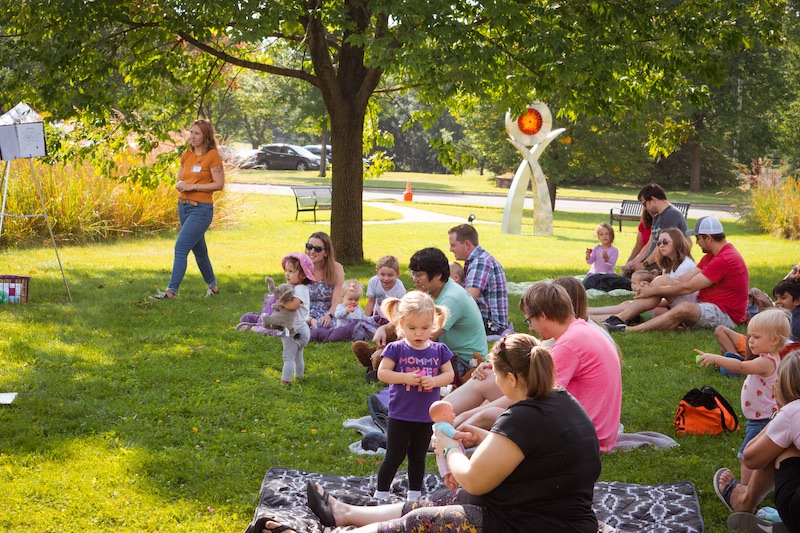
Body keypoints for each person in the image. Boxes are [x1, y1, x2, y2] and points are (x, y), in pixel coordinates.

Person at [297, 336, 601, 533]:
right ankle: (345, 513)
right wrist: (484, 438)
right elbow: (541, 452)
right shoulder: (560, 399)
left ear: (510, 377)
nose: (492, 380)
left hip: (537, 523)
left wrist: (448, 446)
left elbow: (472, 477)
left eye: (495, 374)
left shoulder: (524, 417)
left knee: (427, 520)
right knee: (448, 498)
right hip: (550, 513)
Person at [445, 282, 622, 452]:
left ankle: (442, 436)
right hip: (586, 428)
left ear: (543, 316)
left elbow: (533, 396)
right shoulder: (580, 330)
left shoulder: (569, 344)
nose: (530, 328)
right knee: (488, 380)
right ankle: (435, 420)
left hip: (583, 437)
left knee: (489, 415)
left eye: (529, 320)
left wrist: (470, 414)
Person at [373, 291, 455, 502]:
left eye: (425, 328)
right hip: (401, 415)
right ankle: (381, 492)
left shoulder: (439, 350)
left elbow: (449, 374)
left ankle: (414, 495)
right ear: (401, 324)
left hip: (426, 417)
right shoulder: (396, 348)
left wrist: (435, 381)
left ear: (434, 324)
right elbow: (382, 373)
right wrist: (405, 378)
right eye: (412, 328)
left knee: (418, 457)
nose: (419, 333)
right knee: (394, 456)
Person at [604, 217, 748, 333]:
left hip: (725, 315)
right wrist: (653, 285)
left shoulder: (724, 259)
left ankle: (628, 330)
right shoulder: (713, 255)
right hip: (706, 305)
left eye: (698, 238)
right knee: (662, 280)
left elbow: (688, 288)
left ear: (708, 238)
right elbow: (683, 279)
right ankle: (617, 319)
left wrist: (652, 290)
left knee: (684, 308)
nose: (696, 243)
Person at [697, 308, 790, 483]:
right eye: (749, 336)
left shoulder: (765, 362)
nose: (750, 341)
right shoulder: (768, 358)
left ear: (774, 340)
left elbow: (740, 367)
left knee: (746, 457)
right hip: (761, 418)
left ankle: (745, 489)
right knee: (763, 458)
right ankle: (762, 484)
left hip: (762, 420)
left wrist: (716, 358)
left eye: (756, 337)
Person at [713, 349, 800, 533]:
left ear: (783, 386)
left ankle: (744, 501)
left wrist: (779, 415)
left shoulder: (793, 411)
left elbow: (751, 458)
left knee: (784, 446)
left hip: (795, 509)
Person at [373, 248, 487, 382]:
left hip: (465, 362)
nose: (415, 280)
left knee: (411, 365)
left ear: (438, 275)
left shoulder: (451, 299)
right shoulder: (434, 290)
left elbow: (423, 337)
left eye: (419, 275)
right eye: (413, 274)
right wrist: (383, 329)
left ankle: (384, 368)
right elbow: (411, 318)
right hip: (446, 352)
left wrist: (390, 354)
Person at [151, 119, 225, 300]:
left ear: (206, 136)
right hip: (183, 207)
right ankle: (213, 288)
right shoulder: (186, 155)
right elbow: (180, 179)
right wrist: (181, 185)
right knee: (199, 251)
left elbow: (219, 184)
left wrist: (193, 187)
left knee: (181, 247)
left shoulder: (212, 155)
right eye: (191, 133)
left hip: (201, 209)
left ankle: (171, 292)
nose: (192, 137)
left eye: (197, 133)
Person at [591, 227, 696, 323]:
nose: (661, 246)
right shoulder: (668, 264)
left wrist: (645, 297)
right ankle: (590, 313)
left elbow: (675, 294)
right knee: (630, 305)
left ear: (677, 242)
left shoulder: (686, 265)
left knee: (636, 307)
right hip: (671, 304)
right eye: (659, 243)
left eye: (665, 242)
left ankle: (597, 317)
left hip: (683, 307)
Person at [714, 279, 800, 373]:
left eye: (783, 298)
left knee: (730, 346)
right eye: (776, 299)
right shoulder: (777, 315)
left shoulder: (793, 319)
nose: (778, 302)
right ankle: (739, 362)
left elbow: (787, 345)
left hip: (769, 349)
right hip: (760, 346)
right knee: (721, 333)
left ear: (797, 301)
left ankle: (742, 366)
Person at [448, 224, 509, 336]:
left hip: (491, 326)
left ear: (467, 244)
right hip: (485, 322)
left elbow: (467, 301)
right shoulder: (477, 260)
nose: (450, 249)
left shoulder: (481, 262)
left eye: (453, 245)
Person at [623, 183, 688, 274]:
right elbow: (649, 244)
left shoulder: (671, 215)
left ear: (653, 200)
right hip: (653, 262)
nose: (644, 208)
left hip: (665, 263)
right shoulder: (657, 217)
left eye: (644, 204)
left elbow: (662, 246)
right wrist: (635, 261)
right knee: (627, 273)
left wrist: (644, 264)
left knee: (635, 278)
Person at [276, 253, 315, 385]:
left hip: (295, 330)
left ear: (303, 275)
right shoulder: (297, 288)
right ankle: (299, 377)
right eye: (286, 270)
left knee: (288, 357)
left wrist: (281, 302)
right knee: (298, 356)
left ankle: (284, 382)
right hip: (302, 329)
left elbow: (293, 306)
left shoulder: (300, 289)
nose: (287, 274)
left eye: (291, 271)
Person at [305, 232, 345, 328]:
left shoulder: (336, 268)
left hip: (329, 312)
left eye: (317, 249)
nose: (312, 251)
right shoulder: (299, 267)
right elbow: (294, 300)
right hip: (304, 313)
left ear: (326, 253)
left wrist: (329, 315)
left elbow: (338, 298)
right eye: (309, 247)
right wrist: (310, 319)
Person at [364, 255, 406, 323]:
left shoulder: (400, 288)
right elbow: (371, 301)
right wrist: (365, 319)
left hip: (393, 317)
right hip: (377, 315)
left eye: (390, 275)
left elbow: (401, 309)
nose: (386, 279)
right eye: (382, 275)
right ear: (377, 273)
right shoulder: (374, 281)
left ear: (397, 274)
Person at [582, 223, 619, 290]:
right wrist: (588, 256)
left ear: (611, 235)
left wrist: (607, 259)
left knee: (612, 281)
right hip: (595, 273)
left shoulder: (614, 250)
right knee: (589, 281)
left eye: (607, 234)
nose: (604, 236)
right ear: (598, 237)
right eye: (601, 234)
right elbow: (590, 261)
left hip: (608, 274)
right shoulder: (596, 248)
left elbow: (611, 265)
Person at [621, 207, 653, 277]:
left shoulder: (660, 223)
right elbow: (638, 246)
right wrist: (628, 263)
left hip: (652, 260)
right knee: (626, 274)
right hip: (642, 257)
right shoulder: (643, 223)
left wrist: (643, 264)